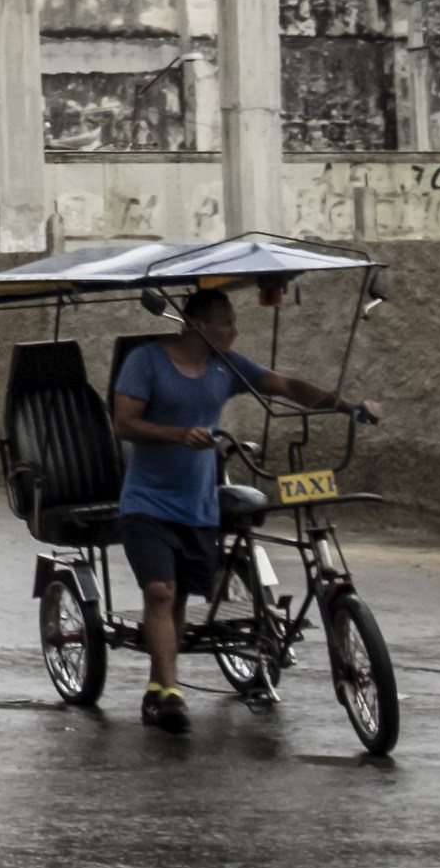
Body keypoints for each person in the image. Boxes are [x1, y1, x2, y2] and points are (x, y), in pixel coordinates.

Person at [111, 286, 379, 735]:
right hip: (146, 502)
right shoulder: (147, 361)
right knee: (159, 591)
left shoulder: (226, 367)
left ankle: (158, 688)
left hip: (197, 504)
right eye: (227, 321)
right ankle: (172, 693)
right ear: (198, 323)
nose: (235, 330)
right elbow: (124, 423)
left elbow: (286, 387)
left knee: (176, 597)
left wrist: (348, 406)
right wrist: (178, 435)